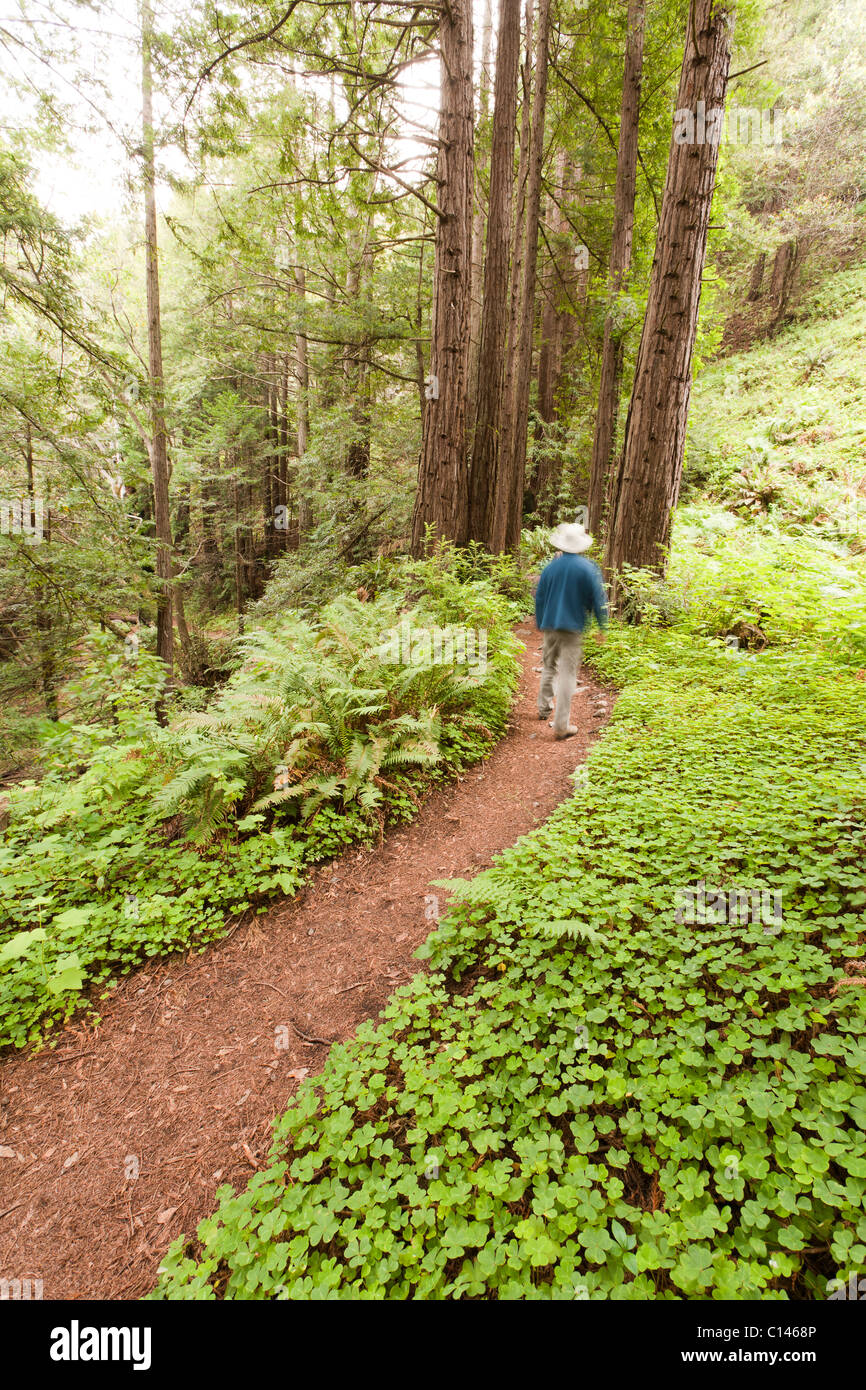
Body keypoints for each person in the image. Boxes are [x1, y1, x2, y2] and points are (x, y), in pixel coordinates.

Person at [534, 520, 608, 740]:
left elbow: (540, 597)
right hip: (573, 627)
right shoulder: (587, 568)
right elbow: (597, 599)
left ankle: (543, 708)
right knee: (567, 672)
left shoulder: (550, 567)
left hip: (550, 624)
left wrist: (540, 621)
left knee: (549, 665)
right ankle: (561, 725)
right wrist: (602, 625)